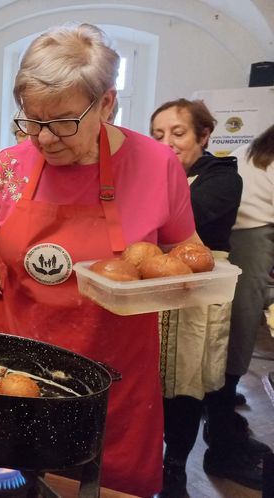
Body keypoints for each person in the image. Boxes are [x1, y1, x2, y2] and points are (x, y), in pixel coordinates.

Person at [0, 23, 203, 497]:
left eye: (63, 122)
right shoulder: (10, 166)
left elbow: (186, 256)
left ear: (107, 103)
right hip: (16, 379)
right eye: (31, 120)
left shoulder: (156, 165)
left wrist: (165, 286)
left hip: (115, 382)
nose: (44, 139)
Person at [150, 99, 243, 497]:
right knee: (148, 383)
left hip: (196, 297)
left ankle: (175, 469)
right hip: (150, 289)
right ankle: (143, 459)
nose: (166, 143)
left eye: (177, 133)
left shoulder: (222, 178)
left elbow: (186, 216)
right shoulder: (152, 177)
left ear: (204, 136)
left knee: (184, 385)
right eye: (157, 135)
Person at [207, 123, 274, 489]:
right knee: (236, 339)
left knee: (230, 338)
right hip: (250, 236)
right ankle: (222, 450)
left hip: (243, 233)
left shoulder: (262, 146)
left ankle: (226, 428)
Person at [0, 109, 30, 296]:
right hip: (6, 277)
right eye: (21, 135)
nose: (27, 142)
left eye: (32, 135)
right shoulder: (5, 167)